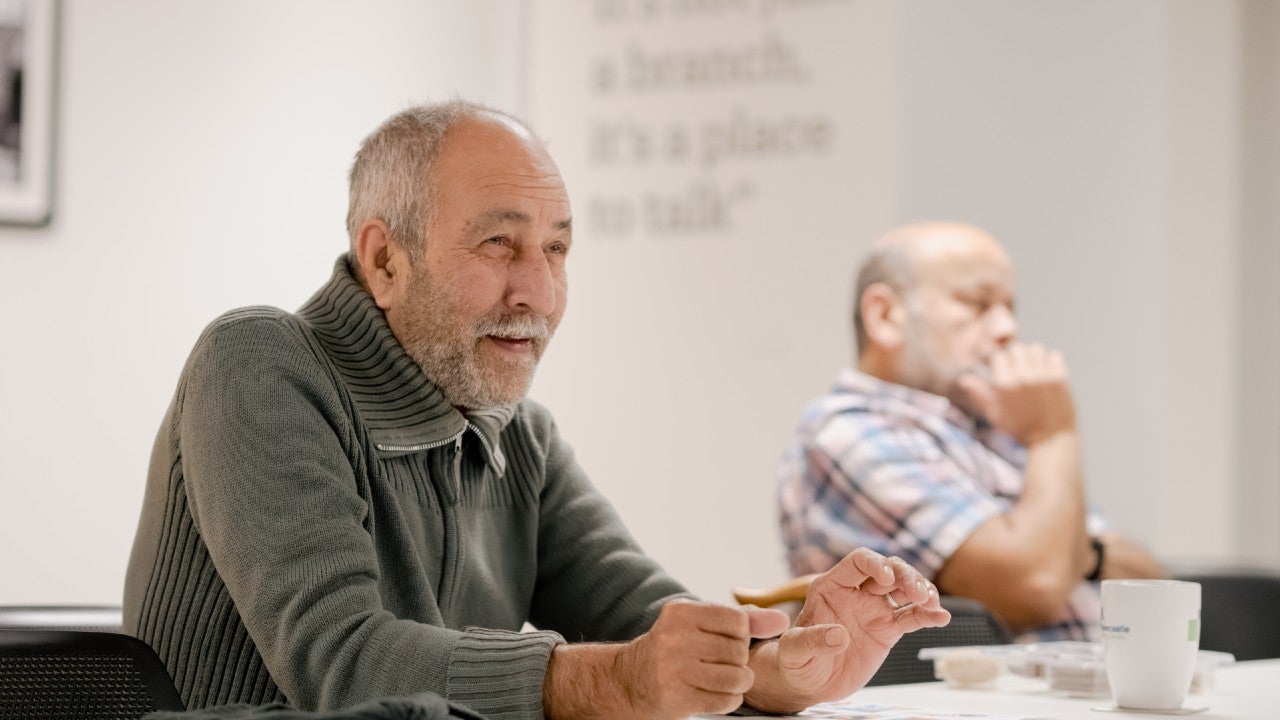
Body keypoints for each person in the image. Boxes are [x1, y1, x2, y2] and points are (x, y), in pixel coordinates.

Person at [123, 101, 950, 720]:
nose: (541, 294)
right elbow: (340, 662)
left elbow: (641, 611)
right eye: (499, 245)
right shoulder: (260, 362)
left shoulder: (519, 434)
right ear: (384, 260)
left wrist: (778, 666)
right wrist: (618, 679)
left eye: (557, 248)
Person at [777, 222, 1165, 643]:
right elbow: (1034, 585)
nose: (1006, 329)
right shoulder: (849, 431)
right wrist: (1054, 435)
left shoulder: (995, 429)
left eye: (1009, 308)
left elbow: (1149, 583)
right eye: (978, 303)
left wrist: (1071, 551)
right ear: (885, 316)